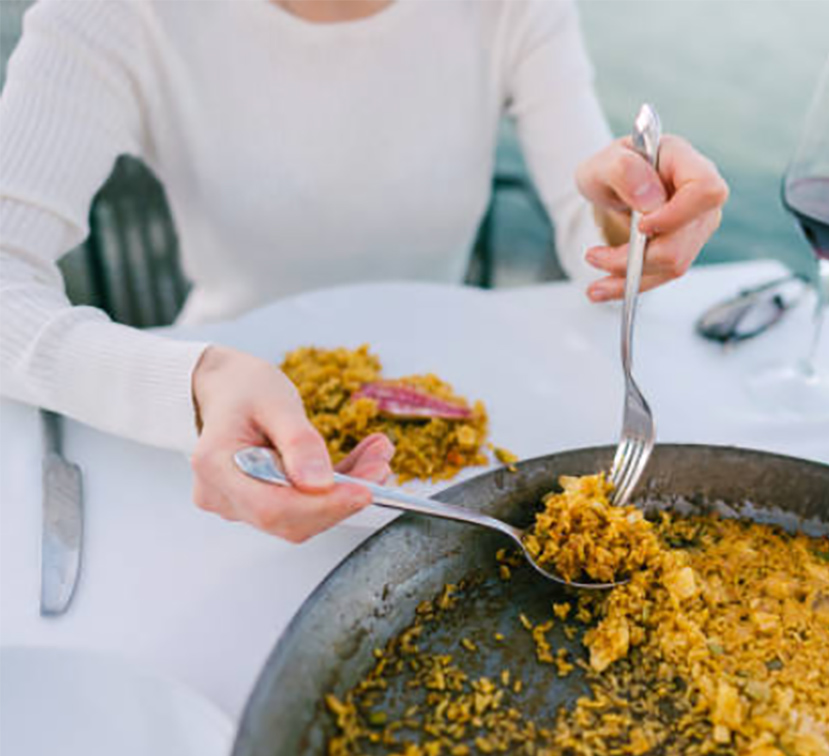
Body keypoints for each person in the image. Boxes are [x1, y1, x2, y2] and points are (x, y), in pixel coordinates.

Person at [0, 0, 728, 542]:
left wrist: (632, 217)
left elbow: (589, 246)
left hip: (460, 442)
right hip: (216, 446)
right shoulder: (111, 14)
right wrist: (193, 383)